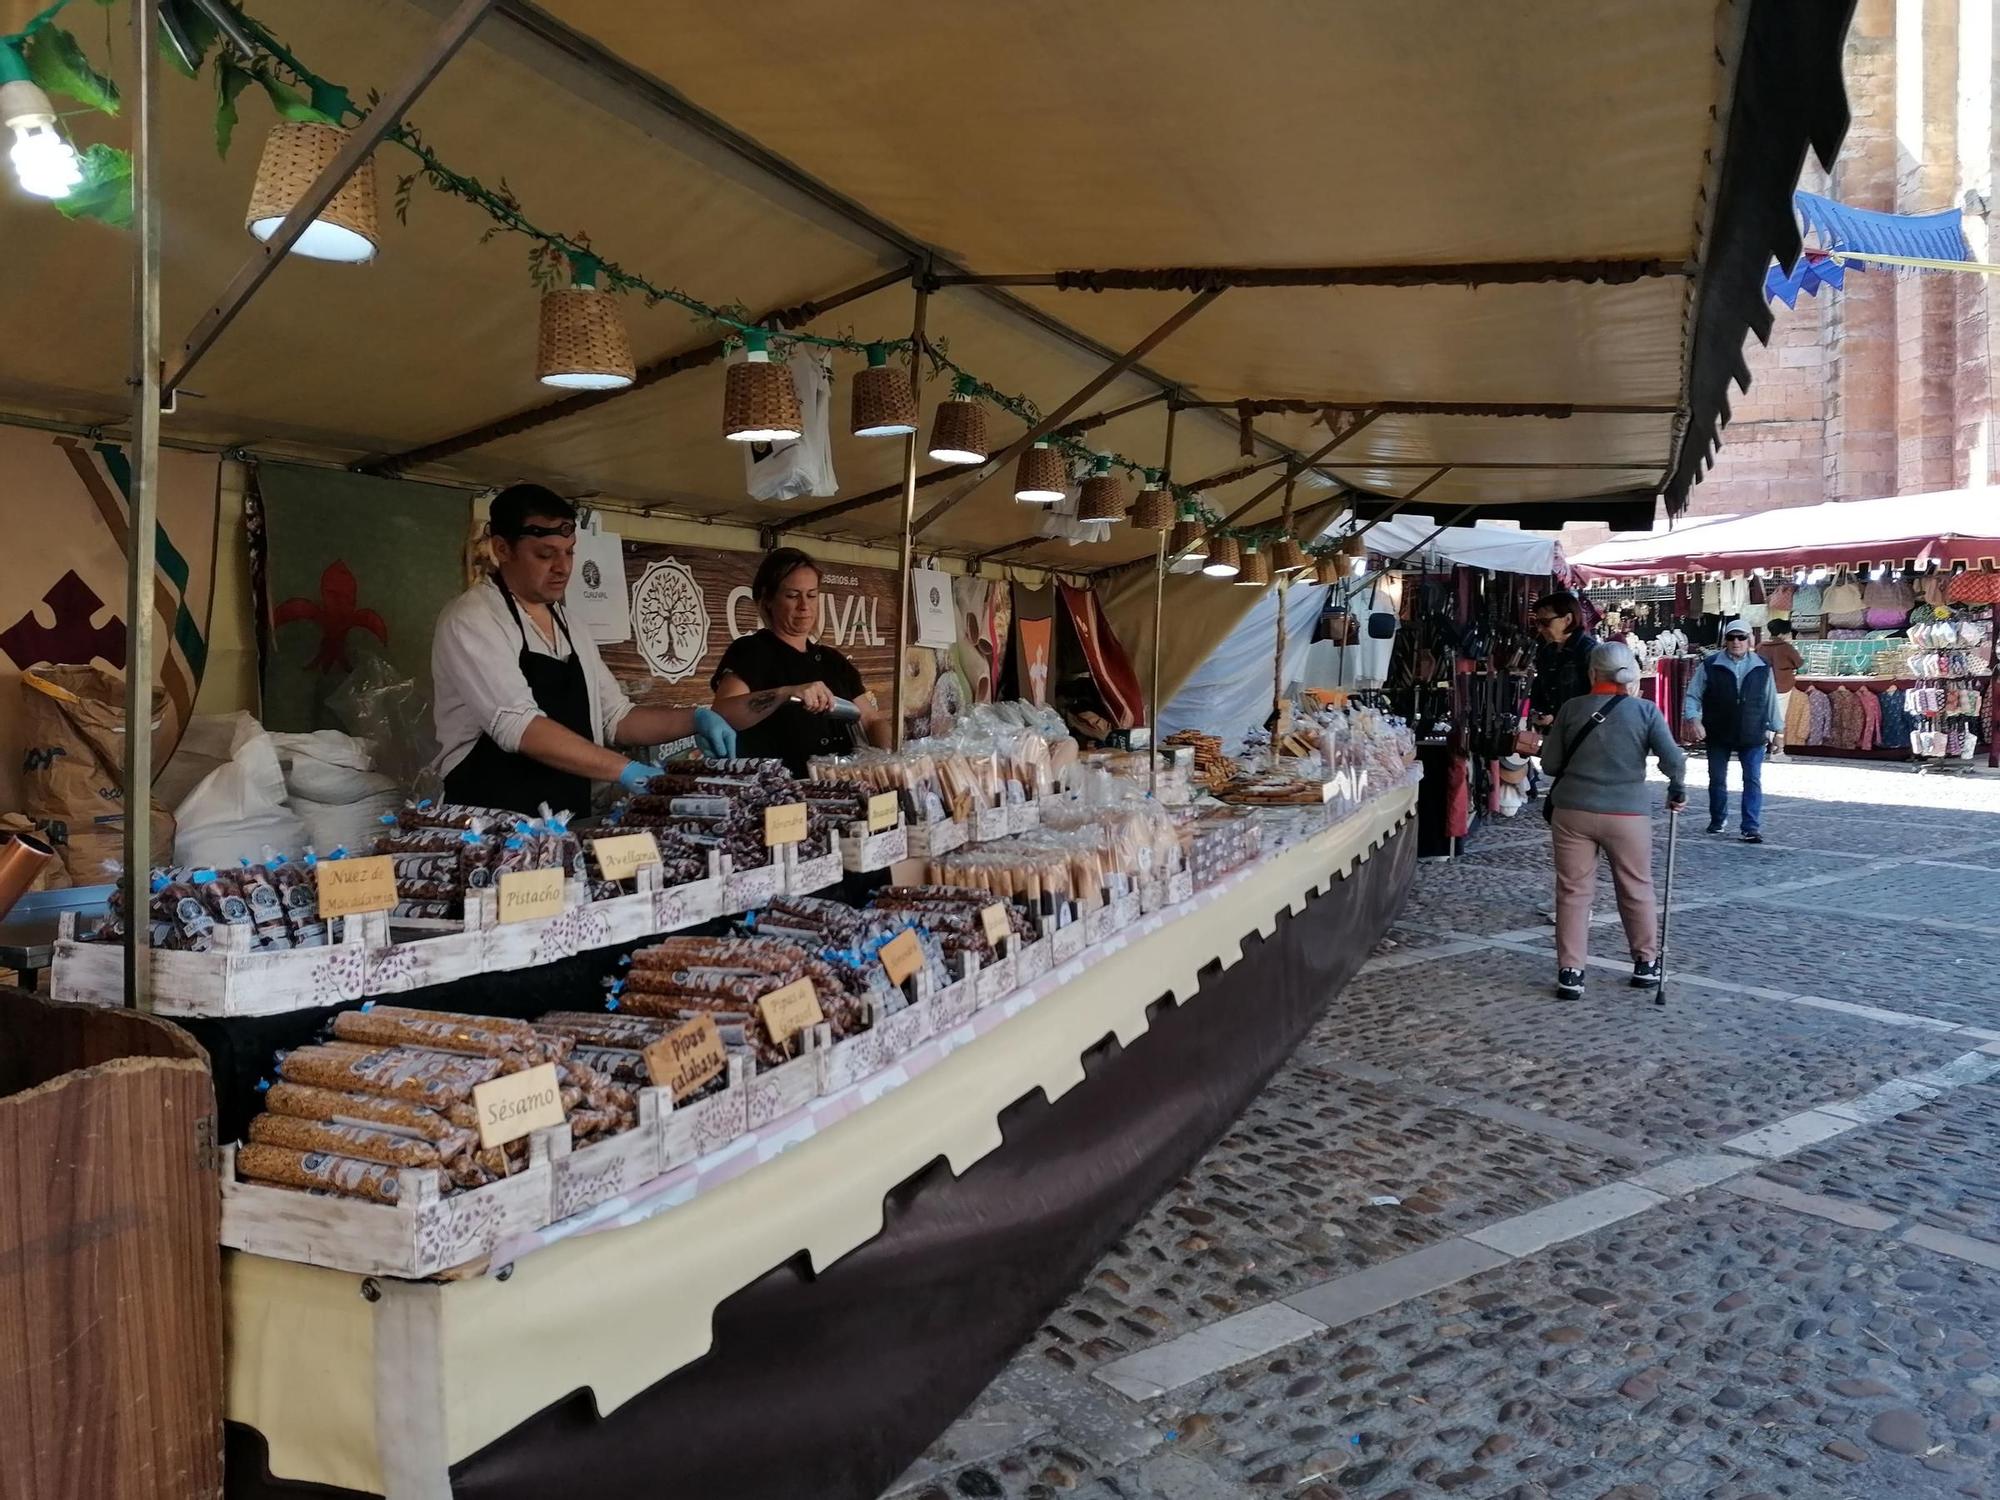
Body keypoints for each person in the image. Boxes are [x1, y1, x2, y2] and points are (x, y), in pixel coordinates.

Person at [430, 485, 783, 816]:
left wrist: (695, 718)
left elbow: (617, 718)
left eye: (569, 553)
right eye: (545, 555)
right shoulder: (475, 618)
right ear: (501, 549)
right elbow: (518, 726)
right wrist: (625, 770)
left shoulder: (572, 626)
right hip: (487, 826)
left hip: (565, 821)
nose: (563, 567)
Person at [1540, 641, 1688, 1001]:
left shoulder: (1572, 709)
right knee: (1636, 886)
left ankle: (1571, 972)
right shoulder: (1646, 711)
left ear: (1592, 672)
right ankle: (1646, 963)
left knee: (1573, 892)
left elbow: (1549, 765)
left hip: (1573, 811)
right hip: (1628, 814)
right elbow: (1674, 760)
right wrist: (1677, 789)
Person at [712, 546, 895, 775]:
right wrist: (786, 694)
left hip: (841, 790)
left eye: (811, 595)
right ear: (767, 599)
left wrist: (892, 758)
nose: (804, 606)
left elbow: (870, 719)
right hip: (781, 792)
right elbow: (722, 713)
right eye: (792, 595)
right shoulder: (751, 651)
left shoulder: (833, 661)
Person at [1683, 618, 1781, 843]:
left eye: (1741, 637)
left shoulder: (1762, 666)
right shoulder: (1710, 665)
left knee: (1752, 779)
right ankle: (1717, 819)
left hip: (1752, 730)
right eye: (1731, 637)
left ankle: (1750, 827)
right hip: (1718, 730)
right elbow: (1693, 695)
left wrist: (1778, 731)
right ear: (1725, 640)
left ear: (1750, 640)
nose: (1736, 642)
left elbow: (1770, 700)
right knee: (1717, 779)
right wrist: (1694, 720)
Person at [1756, 618, 1804, 756]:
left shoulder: (1761, 647)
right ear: (1784, 633)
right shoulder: (1787, 648)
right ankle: (1776, 749)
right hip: (1782, 686)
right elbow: (1799, 663)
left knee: (1765, 716)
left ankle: (1764, 745)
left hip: (1763, 686)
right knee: (1779, 717)